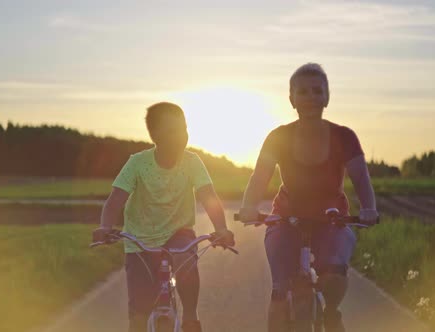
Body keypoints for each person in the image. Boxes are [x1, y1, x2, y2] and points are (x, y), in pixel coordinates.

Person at [238, 63, 379, 332]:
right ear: (291, 99)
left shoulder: (344, 136)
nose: (311, 97)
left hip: (332, 219)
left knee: (334, 276)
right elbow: (259, 177)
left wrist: (369, 208)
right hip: (286, 219)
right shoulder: (278, 137)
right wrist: (248, 206)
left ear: (327, 97)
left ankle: (331, 312)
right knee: (280, 291)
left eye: (317, 91)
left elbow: (361, 178)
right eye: (303, 91)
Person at [93, 102, 235, 332]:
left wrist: (222, 228)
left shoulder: (192, 162)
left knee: (185, 262)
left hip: (179, 233)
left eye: (184, 128)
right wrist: (105, 227)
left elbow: (209, 196)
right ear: (155, 135)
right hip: (140, 239)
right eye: (172, 131)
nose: (181, 136)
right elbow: (115, 200)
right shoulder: (137, 163)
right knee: (139, 313)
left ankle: (190, 316)